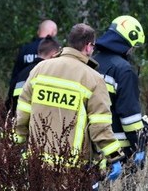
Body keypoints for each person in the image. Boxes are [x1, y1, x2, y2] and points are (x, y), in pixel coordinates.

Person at [13, 23, 124, 179]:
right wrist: (115, 156)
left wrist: (17, 144)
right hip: (73, 168)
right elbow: (100, 125)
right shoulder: (94, 79)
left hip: (37, 162)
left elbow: (23, 111)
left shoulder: (40, 69)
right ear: (88, 46)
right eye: (93, 47)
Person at [93, 15, 148, 166]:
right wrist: (138, 146)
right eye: (133, 46)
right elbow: (129, 115)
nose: (132, 51)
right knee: (125, 189)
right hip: (120, 150)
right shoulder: (124, 70)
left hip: (93, 146)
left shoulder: (92, 63)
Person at [8, 19, 58, 106]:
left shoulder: (25, 49)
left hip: (20, 98)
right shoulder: (54, 50)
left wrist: (10, 102)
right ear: (53, 32)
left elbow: (15, 77)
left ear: (39, 31)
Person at [10, 36, 60, 114]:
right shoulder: (48, 74)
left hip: (18, 118)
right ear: (53, 54)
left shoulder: (23, 72)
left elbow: (11, 98)